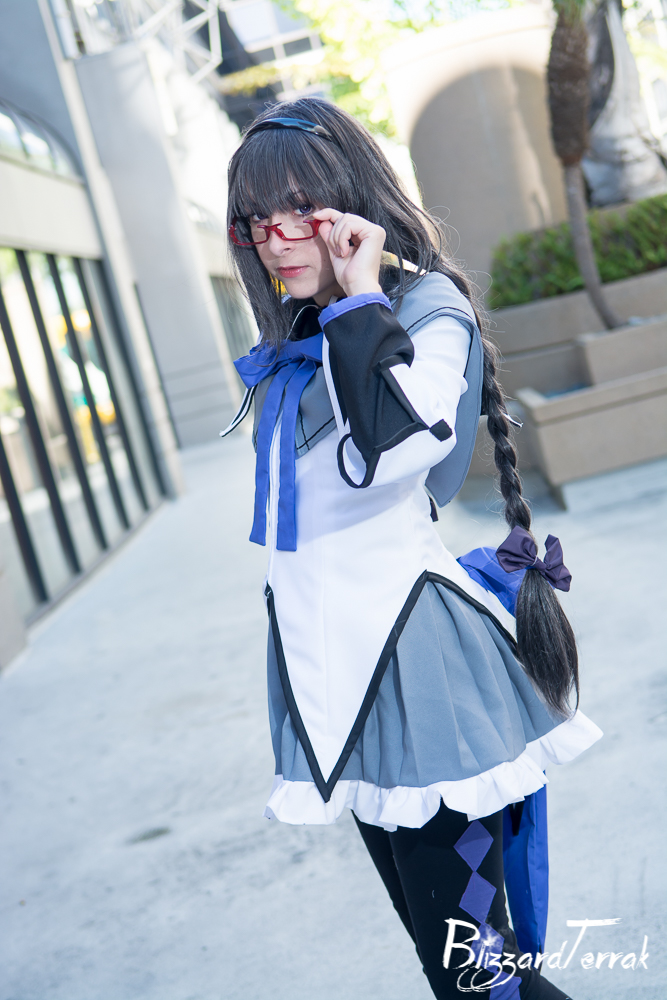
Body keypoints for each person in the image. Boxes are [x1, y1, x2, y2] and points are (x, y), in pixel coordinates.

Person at [221, 97, 602, 1000]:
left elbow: (398, 452)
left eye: (300, 210)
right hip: (340, 679)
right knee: (467, 973)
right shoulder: (307, 326)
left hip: (419, 673)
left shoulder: (423, 306)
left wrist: (360, 299)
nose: (277, 240)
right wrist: (339, 309)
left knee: (476, 978)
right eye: (257, 221)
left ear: (351, 201)